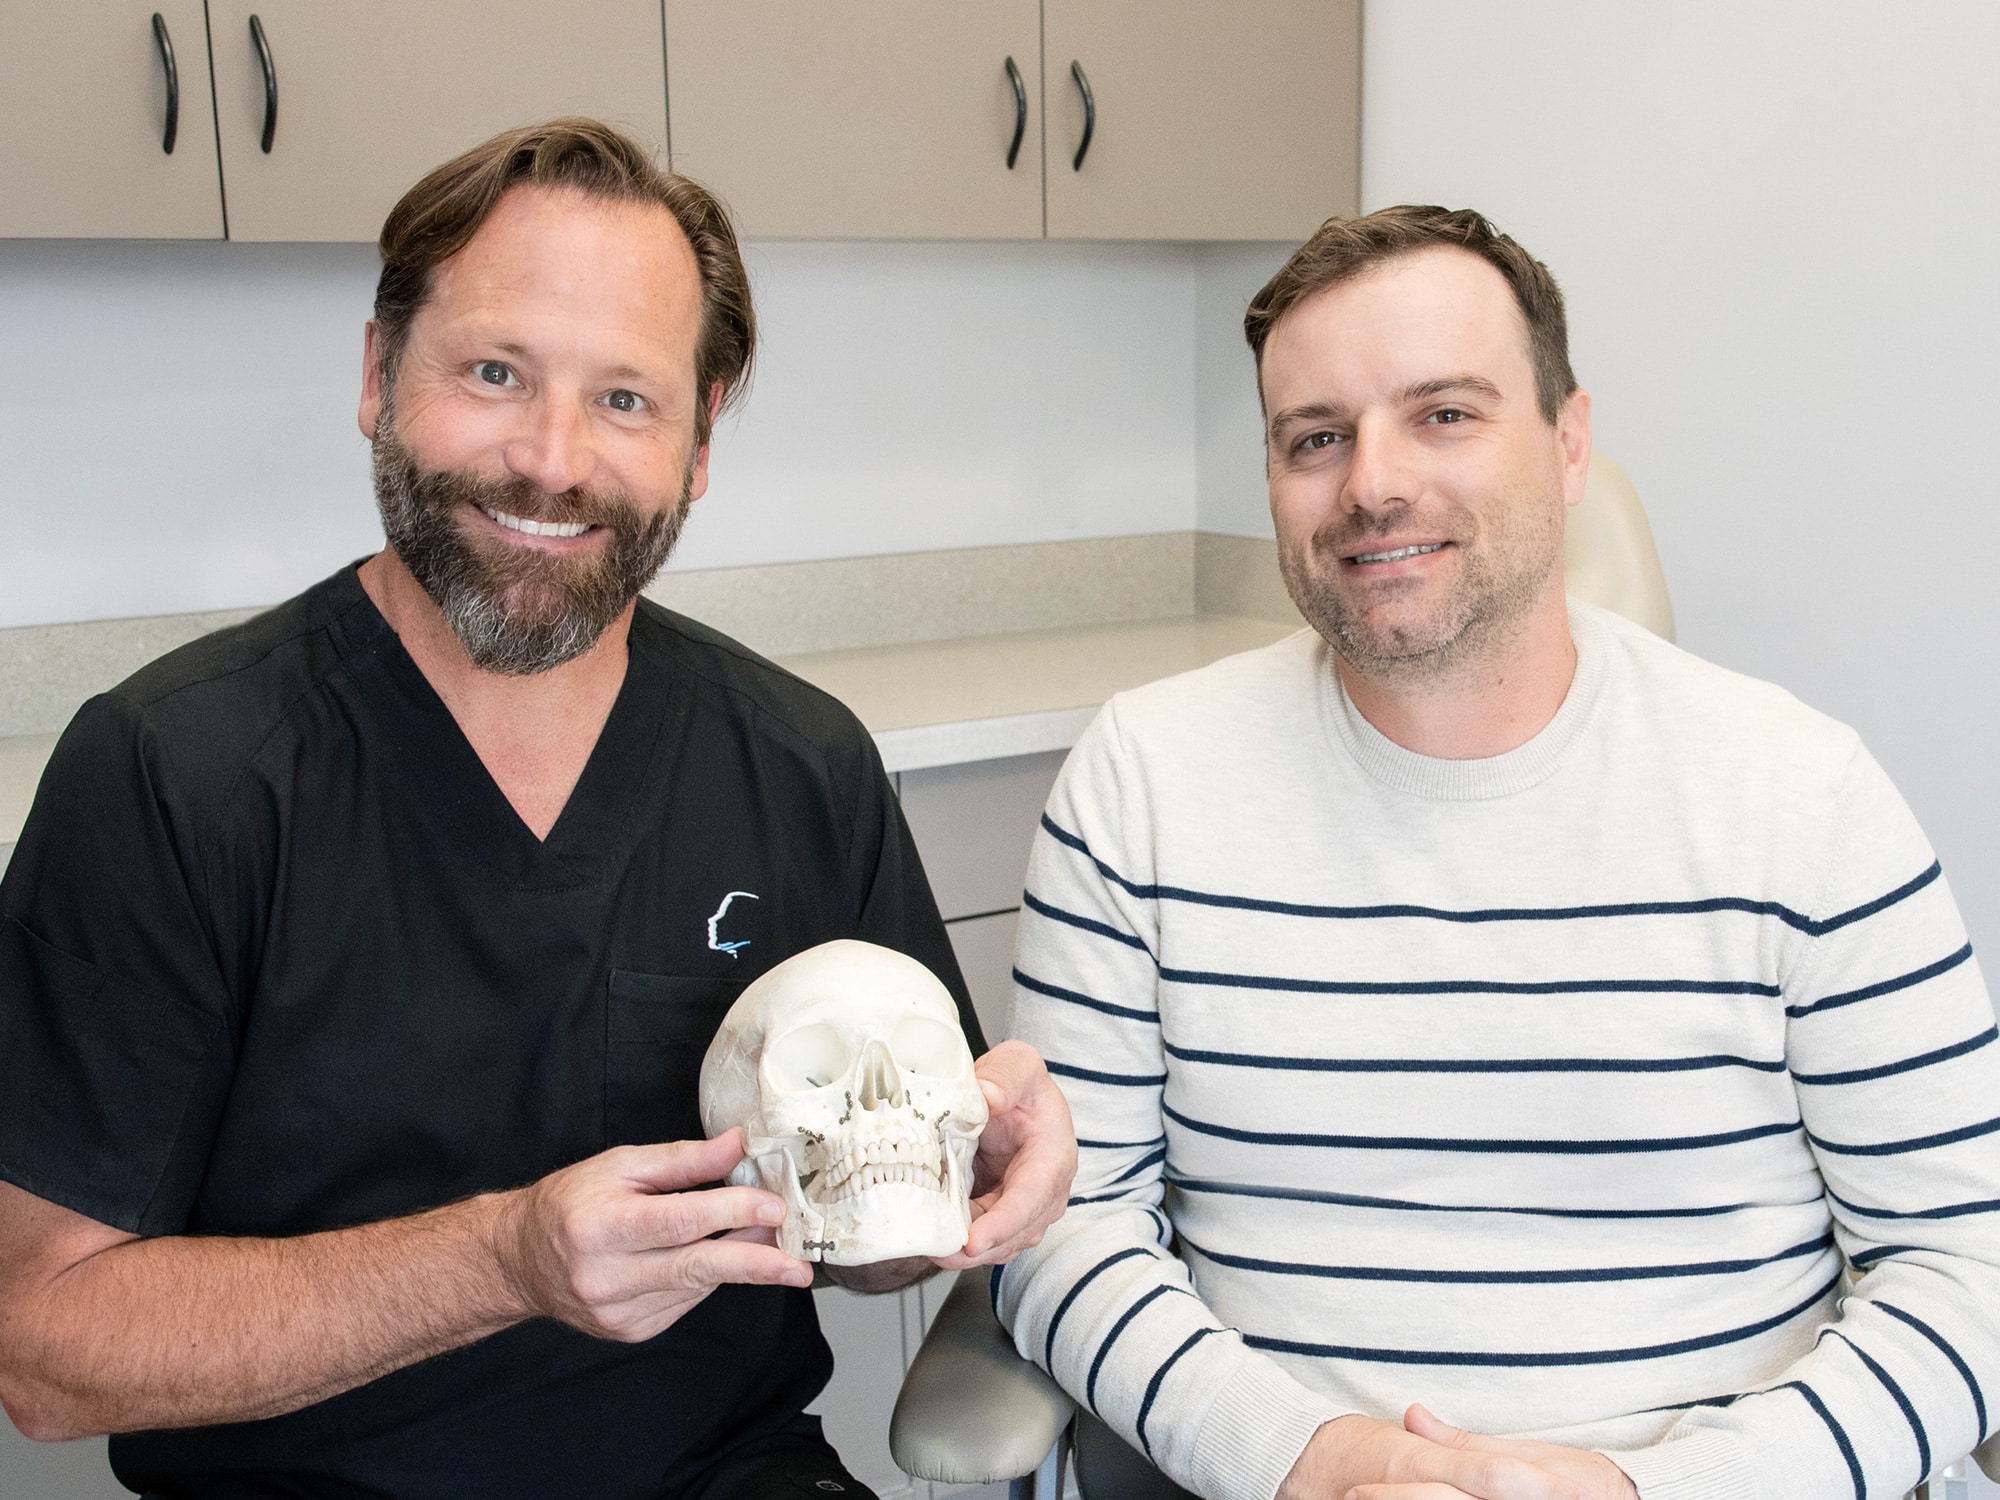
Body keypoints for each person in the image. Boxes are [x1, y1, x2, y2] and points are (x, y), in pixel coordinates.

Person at [0, 118, 1075, 1500]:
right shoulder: (173, 776)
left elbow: (870, 1249)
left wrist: (961, 1188)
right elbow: (41, 1346)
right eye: (497, 372)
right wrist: (501, 1261)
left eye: (627, 400)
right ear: (382, 373)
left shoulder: (797, 764)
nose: (554, 461)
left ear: (699, 441)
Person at [996, 205, 2000, 1500]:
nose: (1372, 482)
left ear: (1570, 443)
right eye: (1316, 437)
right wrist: (1308, 1460)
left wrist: (1656, 1492)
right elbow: (1065, 1233)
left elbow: (1970, 1264)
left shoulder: (1800, 797)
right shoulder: (1143, 787)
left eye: (1445, 414)